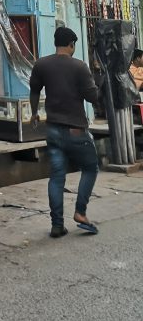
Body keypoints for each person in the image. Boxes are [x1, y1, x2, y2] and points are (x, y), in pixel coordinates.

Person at [29, 25, 100, 239]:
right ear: (71, 45)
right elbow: (92, 97)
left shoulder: (41, 64)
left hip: (52, 129)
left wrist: (34, 114)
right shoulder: (79, 67)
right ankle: (80, 212)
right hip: (76, 129)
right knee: (90, 168)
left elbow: (34, 91)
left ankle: (57, 225)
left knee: (57, 177)